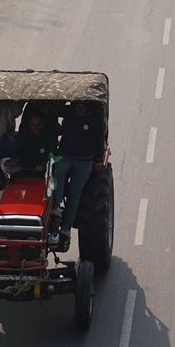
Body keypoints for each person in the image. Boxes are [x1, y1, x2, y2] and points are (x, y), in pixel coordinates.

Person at [50, 102, 105, 246]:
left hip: (84, 160)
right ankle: (56, 207)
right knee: (57, 172)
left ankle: (66, 229)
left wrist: (98, 160)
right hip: (65, 155)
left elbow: (99, 141)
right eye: (77, 105)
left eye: (82, 105)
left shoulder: (95, 119)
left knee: (75, 193)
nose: (79, 108)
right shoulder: (68, 112)